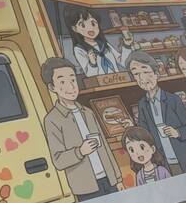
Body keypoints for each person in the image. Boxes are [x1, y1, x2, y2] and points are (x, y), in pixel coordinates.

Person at [41, 58, 124, 200]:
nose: (71, 86)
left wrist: (118, 179)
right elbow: (58, 160)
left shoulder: (87, 112)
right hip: (85, 187)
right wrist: (80, 151)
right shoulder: (52, 119)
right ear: (52, 87)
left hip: (109, 180)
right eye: (62, 82)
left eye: (73, 80)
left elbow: (104, 147)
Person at [126, 51, 186, 176]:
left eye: (145, 71)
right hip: (163, 162)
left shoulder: (173, 100)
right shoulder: (142, 105)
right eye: (136, 74)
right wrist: (132, 128)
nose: (142, 78)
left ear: (156, 74)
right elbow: (144, 135)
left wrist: (177, 132)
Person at [65, 5, 133, 76]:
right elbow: (90, 75)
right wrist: (92, 63)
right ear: (74, 28)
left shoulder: (104, 44)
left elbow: (124, 62)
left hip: (117, 79)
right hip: (100, 82)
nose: (90, 28)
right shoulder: (79, 49)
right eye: (83, 25)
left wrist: (127, 45)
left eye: (93, 23)